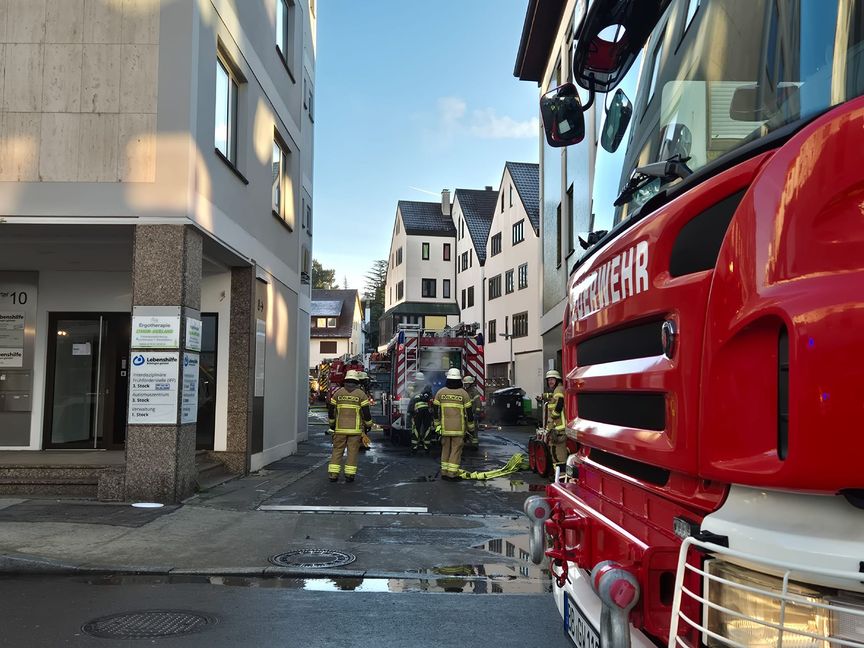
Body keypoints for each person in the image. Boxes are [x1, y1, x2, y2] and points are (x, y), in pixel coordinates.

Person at [327, 370, 373, 482]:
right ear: (356, 381)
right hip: (355, 430)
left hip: (340, 429)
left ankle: (333, 474)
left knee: (337, 450)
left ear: (346, 380)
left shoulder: (338, 393)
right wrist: (368, 424)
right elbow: (366, 412)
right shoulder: (361, 394)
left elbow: (331, 410)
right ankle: (349, 475)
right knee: (352, 452)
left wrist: (332, 424)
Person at [433, 368, 475, 480]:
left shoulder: (440, 392)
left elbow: (435, 411)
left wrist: (437, 426)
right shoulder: (464, 394)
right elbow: (469, 413)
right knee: (456, 450)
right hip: (458, 429)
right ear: (459, 380)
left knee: (445, 449)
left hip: (444, 429)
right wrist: (471, 428)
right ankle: (452, 474)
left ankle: (444, 472)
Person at [542, 369, 568, 469]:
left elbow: (559, 404)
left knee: (559, 454)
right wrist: (543, 396)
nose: (550, 382)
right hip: (556, 428)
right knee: (554, 453)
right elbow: (554, 397)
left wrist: (552, 416)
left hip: (559, 429)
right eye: (548, 380)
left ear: (557, 380)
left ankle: (561, 477)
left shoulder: (558, 389)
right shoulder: (558, 389)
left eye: (552, 379)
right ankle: (557, 475)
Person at [408, 383, 434, 453]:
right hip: (427, 413)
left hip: (417, 413)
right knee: (427, 428)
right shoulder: (430, 396)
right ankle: (427, 447)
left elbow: (411, 406)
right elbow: (433, 407)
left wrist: (411, 414)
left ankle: (414, 447)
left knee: (416, 428)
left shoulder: (416, 396)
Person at [462, 375, 483, 449]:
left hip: (472, 414)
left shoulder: (474, 391)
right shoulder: (464, 391)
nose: (465, 385)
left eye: (467, 383)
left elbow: (478, 403)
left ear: (470, 383)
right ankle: (464, 441)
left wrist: (477, 413)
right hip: (464, 414)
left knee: (473, 429)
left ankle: (474, 444)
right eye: (465, 383)